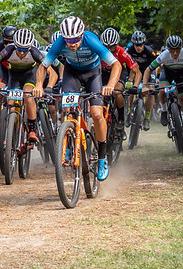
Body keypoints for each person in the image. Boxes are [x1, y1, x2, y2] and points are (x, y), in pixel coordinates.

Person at [36, 16, 122, 181]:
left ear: (82, 35)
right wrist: (39, 85)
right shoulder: (60, 42)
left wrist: (110, 85)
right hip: (72, 74)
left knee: (97, 114)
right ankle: (67, 140)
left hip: (93, 74)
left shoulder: (91, 40)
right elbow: (43, 66)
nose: (72, 43)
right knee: (67, 108)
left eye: (75, 39)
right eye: (68, 40)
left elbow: (116, 64)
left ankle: (103, 158)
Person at [0, 28, 55, 143]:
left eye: (25, 49)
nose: (21, 52)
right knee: (10, 102)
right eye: (19, 48)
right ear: (15, 45)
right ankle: (10, 133)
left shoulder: (35, 53)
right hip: (14, 76)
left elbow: (52, 73)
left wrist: (48, 87)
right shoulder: (8, 50)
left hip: (29, 75)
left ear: (30, 47)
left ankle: (32, 129)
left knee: (28, 95)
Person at [142, 36, 183, 146]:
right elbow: (148, 70)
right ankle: (164, 110)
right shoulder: (164, 55)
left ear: (181, 48)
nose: (175, 53)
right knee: (162, 91)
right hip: (167, 74)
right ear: (168, 49)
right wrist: (145, 86)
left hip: (181, 74)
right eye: (172, 50)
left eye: (177, 50)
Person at [100, 27, 142, 134]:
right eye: (106, 47)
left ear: (116, 45)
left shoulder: (121, 52)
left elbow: (137, 71)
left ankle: (121, 120)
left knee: (116, 92)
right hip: (103, 72)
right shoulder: (98, 50)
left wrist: (135, 87)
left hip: (119, 73)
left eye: (112, 47)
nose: (109, 50)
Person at [126, 30, 157, 131]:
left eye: (140, 45)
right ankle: (129, 112)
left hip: (149, 71)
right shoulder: (129, 50)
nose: (138, 47)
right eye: (136, 45)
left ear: (144, 44)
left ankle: (147, 117)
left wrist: (153, 80)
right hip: (135, 71)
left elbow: (156, 65)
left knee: (151, 91)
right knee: (131, 89)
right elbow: (126, 64)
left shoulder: (149, 51)